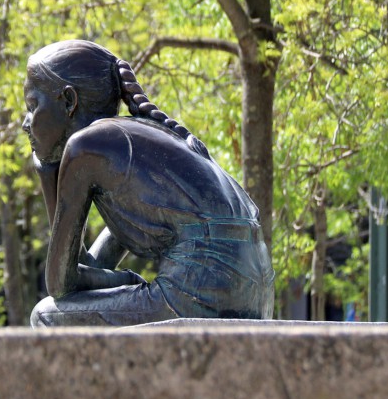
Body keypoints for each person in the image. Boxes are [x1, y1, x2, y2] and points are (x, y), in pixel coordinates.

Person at [23, 40, 274, 327]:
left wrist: (45, 169)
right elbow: (86, 269)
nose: (25, 123)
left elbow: (58, 284)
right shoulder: (139, 144)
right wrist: (125, 281)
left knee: (45, 315)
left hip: (197, 291)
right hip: (256, 294)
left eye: (32, 106)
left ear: (69, 101)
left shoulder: (85, 147)